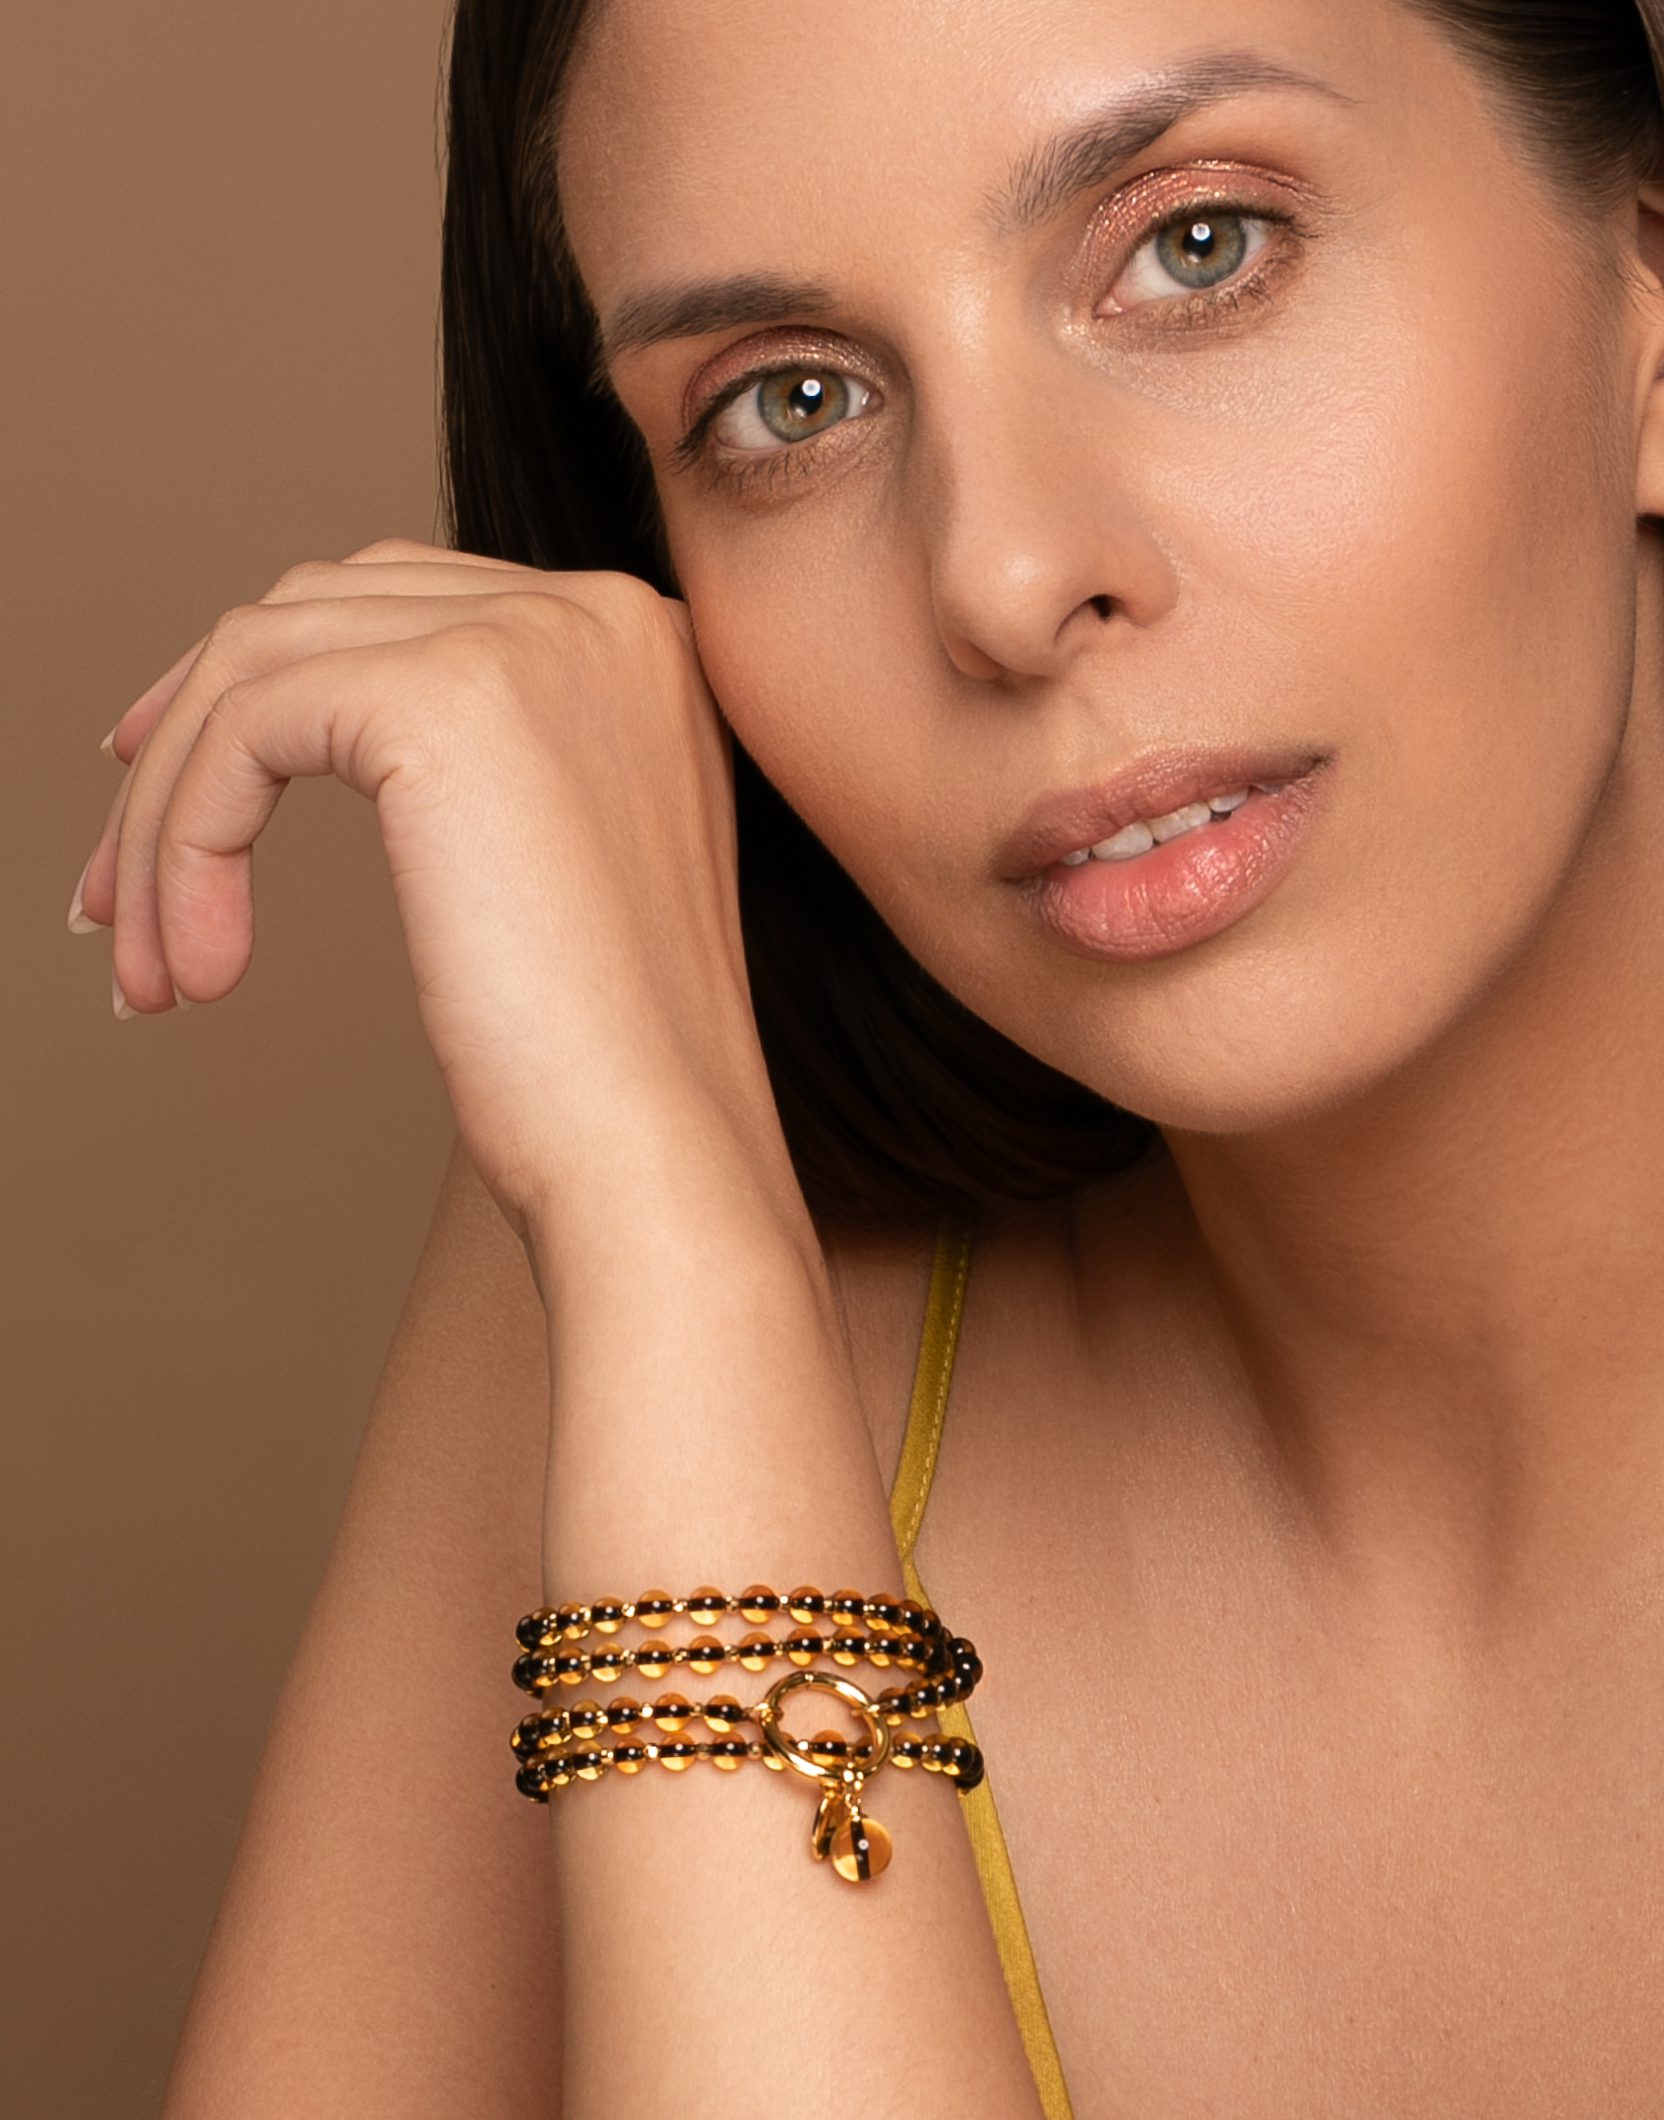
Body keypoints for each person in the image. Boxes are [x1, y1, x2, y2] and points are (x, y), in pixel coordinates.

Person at [65, 0, 1664, 2111]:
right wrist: (670, 1249)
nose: (1001, 575)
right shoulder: (674, 1223)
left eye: (1196, 247)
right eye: (789, 400)